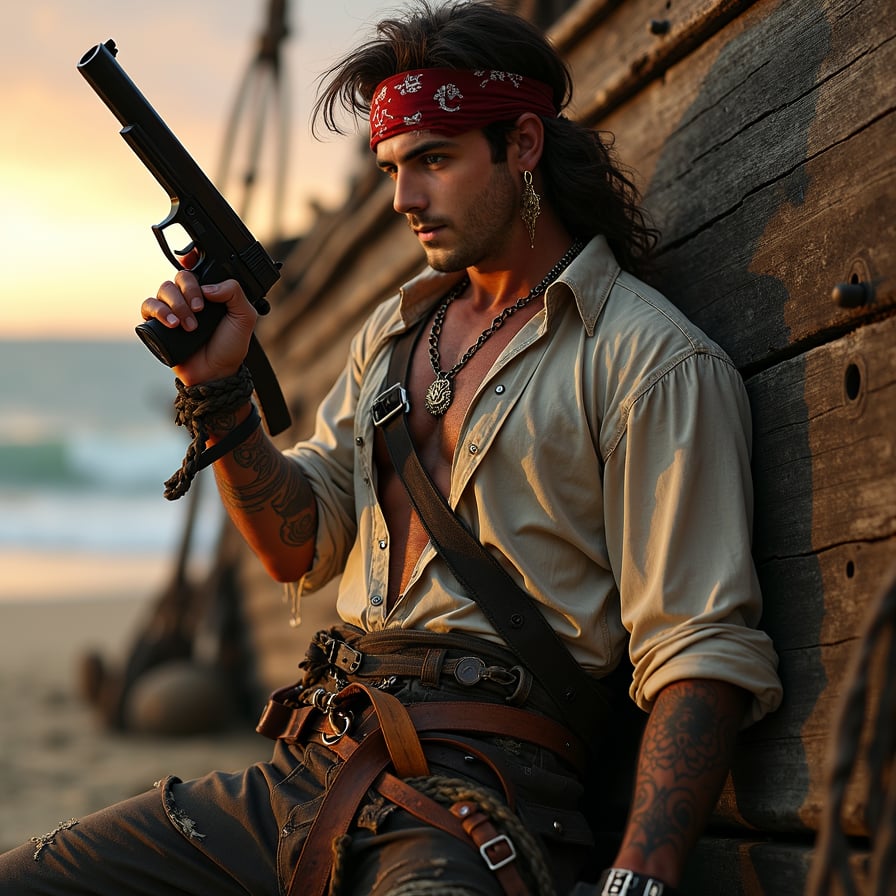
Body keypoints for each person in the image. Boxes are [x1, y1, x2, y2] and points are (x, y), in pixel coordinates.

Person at [0, 2, 782, 894]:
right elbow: (303, 540)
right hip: (311, 766)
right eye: (393, 168)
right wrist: (216, 392)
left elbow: (699, 651)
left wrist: (638, 881)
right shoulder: (395, 331)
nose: (405, 197)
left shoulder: (647, 360)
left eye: (435, 161)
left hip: (482, 793)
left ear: (523, 144)